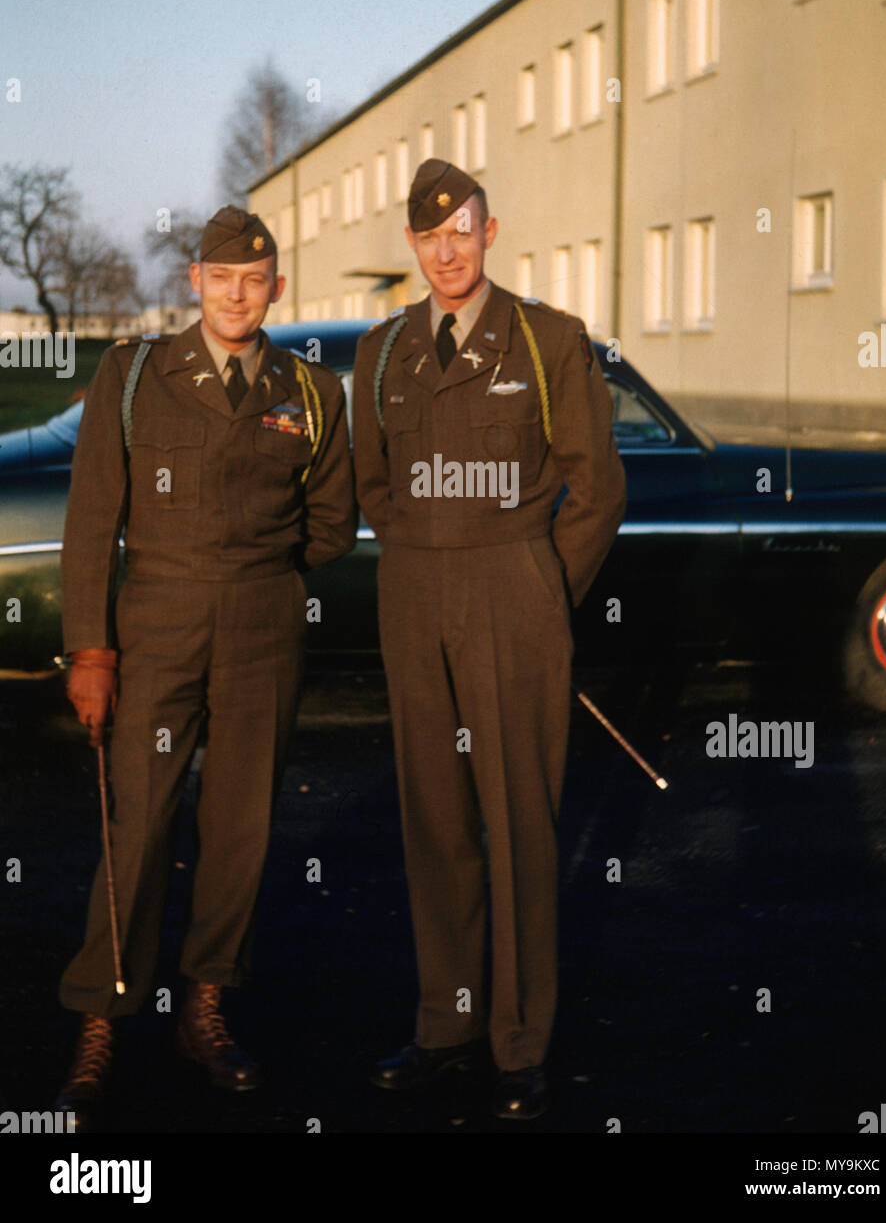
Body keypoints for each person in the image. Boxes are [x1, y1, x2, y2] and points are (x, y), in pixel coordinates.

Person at [55, 205, 356, 1127]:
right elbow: (91, 519)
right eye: (221, 277)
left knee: (240, 822)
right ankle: (104, 1016)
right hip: (157, 624)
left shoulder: (310, 391)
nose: (237, 293)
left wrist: (263, 571)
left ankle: (206, 1006)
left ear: (275, 288)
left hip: (264, 622)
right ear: (195, 281)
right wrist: (92, 648)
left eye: (255, 279)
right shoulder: (136, 372)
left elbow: (334, 522)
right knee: (139, 817)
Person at [353, 159, 626, 1120]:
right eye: (429, 237)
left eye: (461, 230)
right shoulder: (381, 353)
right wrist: (425, 555)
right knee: (434, 820)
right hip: (415, 592)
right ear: (414, 247)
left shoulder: (548, 339)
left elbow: (599, 488)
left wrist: (543, 588)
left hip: (515, 591)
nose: (446, 250)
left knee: (516, 819)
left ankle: (518, 1042)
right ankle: (446, 1024)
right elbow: (374, 486)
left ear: (490, 230)